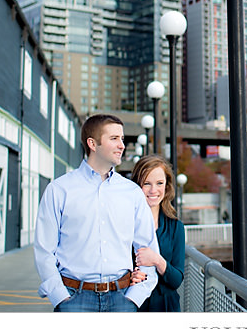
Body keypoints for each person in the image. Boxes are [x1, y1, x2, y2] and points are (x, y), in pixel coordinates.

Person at [34, 114, 159, 312]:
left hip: (122, 299)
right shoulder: (59, 190)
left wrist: (136, 297)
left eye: (122, 139)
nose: (122, 145)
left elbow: (147, 247)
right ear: (93, 144)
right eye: (114, 138)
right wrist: (60, 297)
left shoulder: (132, 192)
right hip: (73, 299)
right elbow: (44, 250)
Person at [129, 155, 185, 312]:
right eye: (147, 184)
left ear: (167, 186)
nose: (153, 190)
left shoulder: (176, 227)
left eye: (159, 183)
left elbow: (176, 280)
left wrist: (157, 260)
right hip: (134, 307)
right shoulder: (124, 225)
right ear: (137, 186)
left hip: (166, 308)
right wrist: (128, 278)